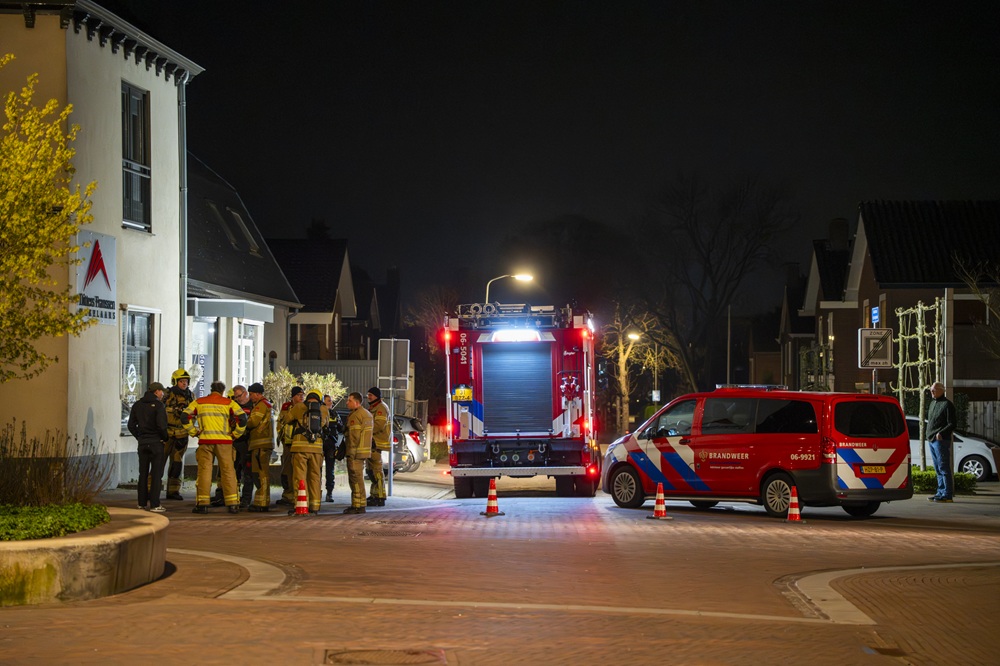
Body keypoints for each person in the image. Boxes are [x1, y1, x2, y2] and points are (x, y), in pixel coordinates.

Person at [184, 381, 247, 514]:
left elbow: (184, 417)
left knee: (204, 472)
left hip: (205, 441)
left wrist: (193, 431)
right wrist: (235, 434)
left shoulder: (199, 402)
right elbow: (243, 418)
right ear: (223, 391)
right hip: (225, 442)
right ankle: (233, 504)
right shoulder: (228, 403)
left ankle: (202, 504)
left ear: (211, 389)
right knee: (228, 472)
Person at [127, 381, 168, 512]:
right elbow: (161, 426)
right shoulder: (159, 406)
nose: (162, 394)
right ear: (156, 392)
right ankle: (155, 504)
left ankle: (141, 502)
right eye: (161, 391)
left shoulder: (137, 405)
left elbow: (131, 425)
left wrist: (139, 437)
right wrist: (165, 438)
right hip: (156, 443)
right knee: (156, 475)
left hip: (143, 444)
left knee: (142, 474)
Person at [286, 390, 329, 514]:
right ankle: (315, 506)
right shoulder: (324, 409)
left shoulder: (299, 407)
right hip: (317, 448)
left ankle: (300, 505)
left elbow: (288, 419)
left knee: (300, 477)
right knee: (315, 477)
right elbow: (325, 425)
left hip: (300, 448)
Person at [163, 368, 194, 500]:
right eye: (181, 381)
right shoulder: (167, 395)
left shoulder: (191, 396)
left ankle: (173, 491)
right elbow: (160, 411)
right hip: (167, 433)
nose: (184, 383)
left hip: (181, 434)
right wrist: (174, 410)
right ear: (175, 381)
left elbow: (194, 413)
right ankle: (150, 489)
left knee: (176, 463)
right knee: (159, 462)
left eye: (186, 381)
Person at [244, 382, 275, 512]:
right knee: (261, 473)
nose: (250, 397)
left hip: (260, 444)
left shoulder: (260, 406)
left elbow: (252, 422)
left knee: (260, 473)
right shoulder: (266, 404)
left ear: (258, 394)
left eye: (251, 394)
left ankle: (262, 503)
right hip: (263, 444)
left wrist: (243, 420)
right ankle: (261, 501)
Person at [927, 381, 957, 503]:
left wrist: (941, 433)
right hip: (932, 439)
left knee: (943, 467)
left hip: (941, 440)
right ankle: (940, 491)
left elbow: (952, 423)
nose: (931, 392)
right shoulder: (932, 403)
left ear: (941, 390)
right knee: (937, 467)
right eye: (931, 390)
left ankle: (947, 494)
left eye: (934, 390)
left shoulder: (947, 405)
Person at [343, 391, 373, 514]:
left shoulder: (356, 416)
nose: (347, 403)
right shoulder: (366, 414)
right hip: (361, 452)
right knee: (358, 479)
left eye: (349, 400)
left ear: (356, 402)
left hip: (355, 453)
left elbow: (354, 437)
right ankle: (359, 504)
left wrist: (351, 452)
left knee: (355, 479)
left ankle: (357, 505)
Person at [275, 386, 304, 506]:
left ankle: (298, 495)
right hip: (288, 443)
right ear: (293, 397)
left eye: (303, 394)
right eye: (298, 395)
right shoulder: (286, 407)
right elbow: (280, 423)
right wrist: (281, 437)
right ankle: (288, 494)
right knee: (287, 469)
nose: (301, 397)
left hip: (300, 443)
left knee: (299, 471)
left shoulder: (304, 407)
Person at [366, 387, 390, 507]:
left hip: (376, 442)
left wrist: (366, 432)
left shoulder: (381, 408)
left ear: (377, 396)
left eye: (371, 395)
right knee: (371, 471)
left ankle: (380, 496)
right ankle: (374, 495)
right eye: (368, 394)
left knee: (376, 471)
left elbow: (379, 425)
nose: (368, 397)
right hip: (372, 442)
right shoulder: (374, 407)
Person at [322, 394, 345, 502]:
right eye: (328, 401)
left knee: (330, 470)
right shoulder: (319, 414)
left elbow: (341, 428)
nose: (331, 403)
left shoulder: (335, 414)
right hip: (320, 444)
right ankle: (317, 492)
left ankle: (329, 492)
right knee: (317, 470)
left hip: (331, 445)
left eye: (331, 401)